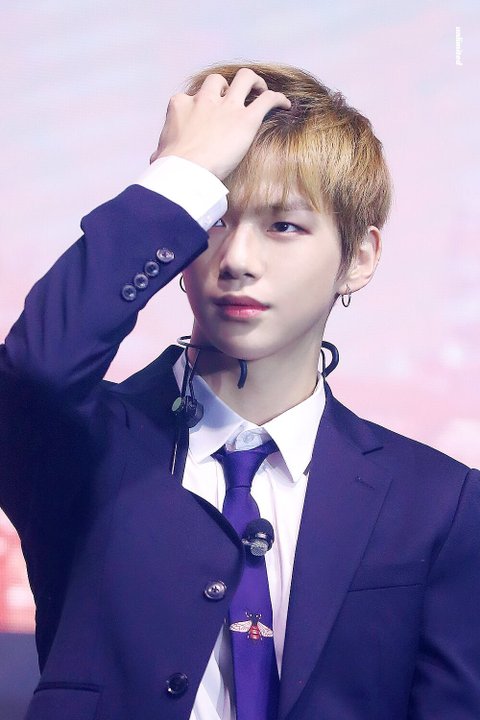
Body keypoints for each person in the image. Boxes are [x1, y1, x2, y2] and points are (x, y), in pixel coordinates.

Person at [1, 62, 479, 720]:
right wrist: (181, 177)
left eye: (284, 226)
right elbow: (36, 371)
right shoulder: (86, 445)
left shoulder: (439, 502)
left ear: (360, 257)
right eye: (215, 220)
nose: (237, 261)